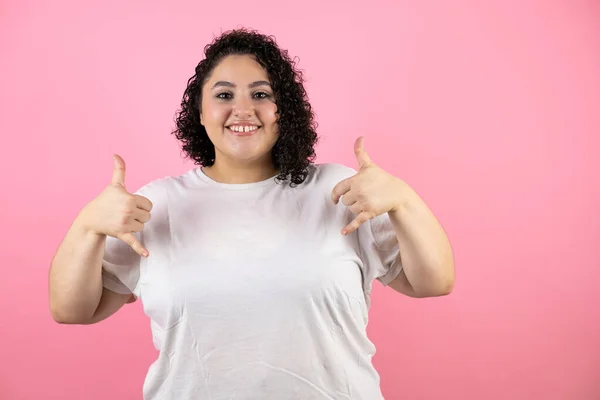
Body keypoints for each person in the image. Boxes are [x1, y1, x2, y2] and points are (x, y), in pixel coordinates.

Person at [48, 28, 455, 399]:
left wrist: (404, 200)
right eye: (224, 95)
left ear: (285, 109)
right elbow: (72, 310)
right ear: (201, 112)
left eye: (261, 94)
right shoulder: (159, 205)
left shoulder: (339, 192)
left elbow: (432, 282)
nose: (243, 109)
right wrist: (86, 227)